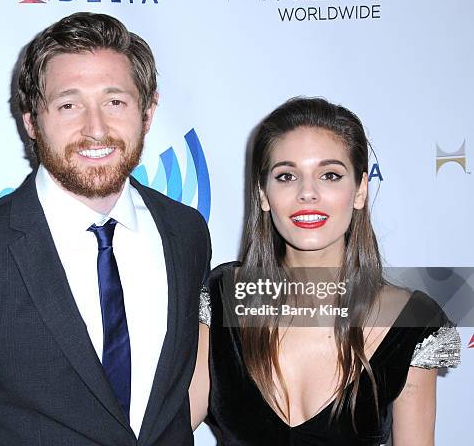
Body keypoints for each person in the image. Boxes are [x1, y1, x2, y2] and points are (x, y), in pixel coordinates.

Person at [0, 13, 211, 445]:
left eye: (115, 101)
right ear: (31, 120)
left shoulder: (186, 234)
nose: (96, 129)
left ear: (148, 111)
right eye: (68, 104)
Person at [189, 97, 460, 445]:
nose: (308, 193)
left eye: (330, 175)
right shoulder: (224, 297)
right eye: (286, 176)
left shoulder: (409, 321)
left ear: (360, 189)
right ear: (263, 195)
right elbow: (168, 426)